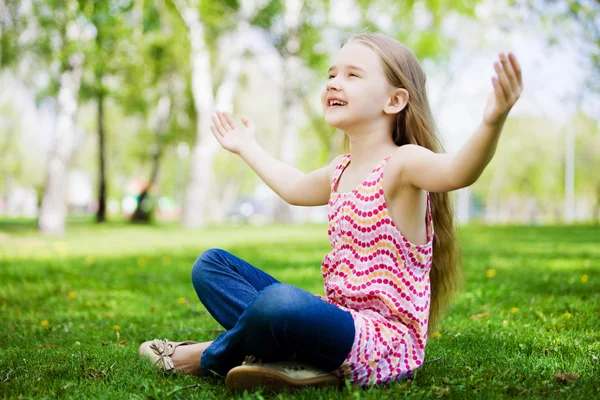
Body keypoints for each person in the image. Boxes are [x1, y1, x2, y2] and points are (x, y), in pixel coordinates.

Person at [139, 32, 523, 392]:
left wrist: (492, 121)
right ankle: (296, 357)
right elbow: (292, 186)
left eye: (353, 75)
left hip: (382, 344)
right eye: (332, 74)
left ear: (395, 101)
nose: (334, 83)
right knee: (212, 265)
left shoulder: (404, 164)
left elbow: (458, 171)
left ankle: (206, 357)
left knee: (280, 305)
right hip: (334, 322)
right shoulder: (340, 170)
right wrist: (245, 145)